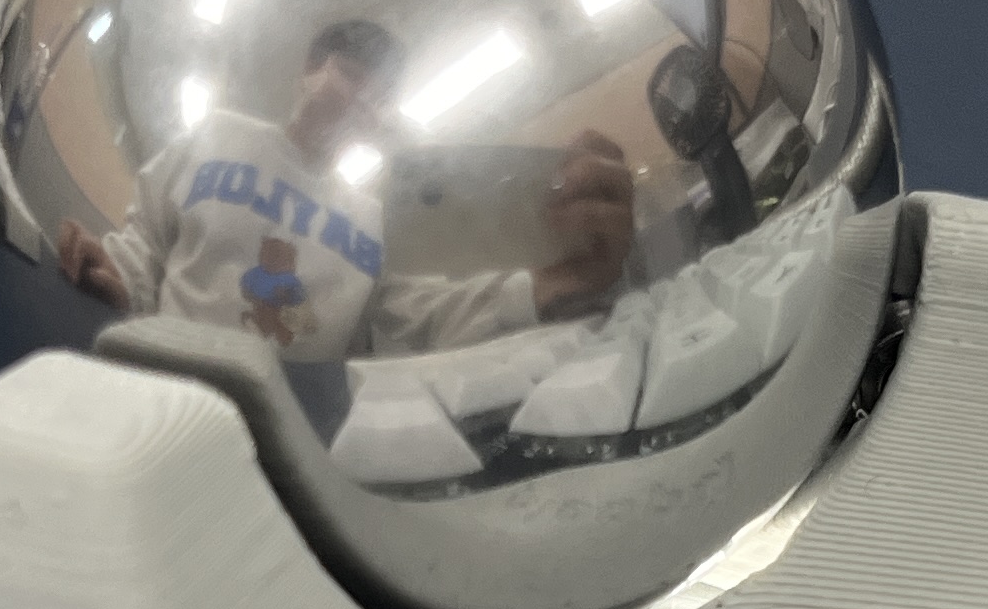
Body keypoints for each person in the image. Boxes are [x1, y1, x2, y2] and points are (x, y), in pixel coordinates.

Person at [53, 21, 632, 360]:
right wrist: (115, 277)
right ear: (311, 68)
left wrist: (558, 282)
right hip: (163, 380)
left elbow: (422, 314)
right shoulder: (218, 134)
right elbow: (146, 242)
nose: (360, 101)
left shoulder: (373, 215)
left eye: (379, 96)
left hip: (295, 430)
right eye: (350, 76)